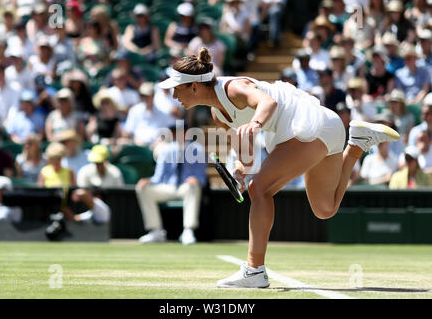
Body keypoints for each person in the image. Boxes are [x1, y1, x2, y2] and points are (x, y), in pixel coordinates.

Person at [158, 47, 400, 288]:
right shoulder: (218, 114)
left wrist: (255, 124)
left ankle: (254, 270)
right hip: (329, 131)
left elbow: (268, 102)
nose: (173, 95)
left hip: (310, 126)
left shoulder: (233, 88)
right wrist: (240, 171)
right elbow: (246, 155)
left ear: (194, 86)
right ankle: (356, 144)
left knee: (260, 189)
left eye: (176, 89)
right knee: (325, 209)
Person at [136, 124, 207, 245]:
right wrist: (148, 181)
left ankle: (188, 231)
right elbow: (158, 177)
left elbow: (201, 177)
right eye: (174, 132)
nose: (176, 135)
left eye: (179, 132)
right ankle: (156, 231)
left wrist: (195, 179)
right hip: (168, 187)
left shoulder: (197, 150)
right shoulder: (166, 150)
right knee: (143, 189)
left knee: (193, 186)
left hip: (186, 187)